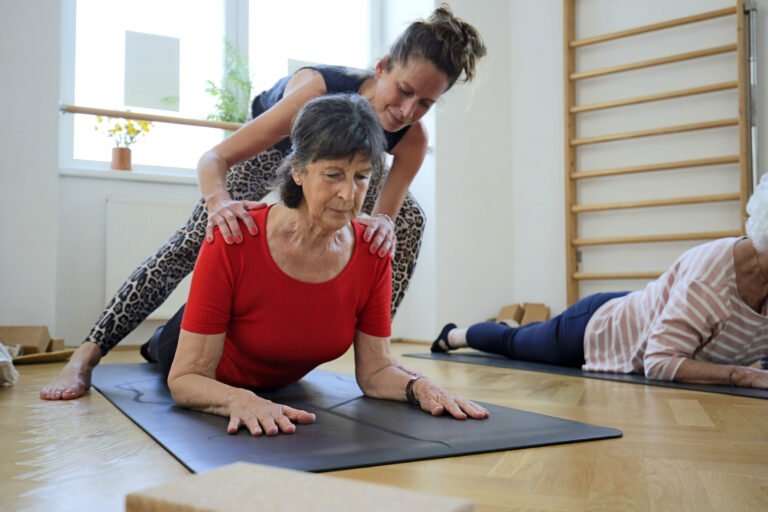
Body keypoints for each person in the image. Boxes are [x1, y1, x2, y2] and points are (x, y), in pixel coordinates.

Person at [41, 4, 487, 401]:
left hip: (346, 160)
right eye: (405, 91)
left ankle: (374, 353)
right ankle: (86, 355)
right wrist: (219, 204)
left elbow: (382, 219)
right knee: (197, 240)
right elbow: (213, 158)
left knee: (407, 221)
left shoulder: (412, 138)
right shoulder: (316, 91)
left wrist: (383, 223)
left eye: (426, 102)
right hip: (275, 152)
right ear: (383, 66)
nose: (409, 111)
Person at [143, 95, 489, 434]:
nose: (348, 195)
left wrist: (420, 386)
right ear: (297, 171)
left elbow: (376, 370)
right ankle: (153, 344)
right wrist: (240, 401)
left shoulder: (373, 250)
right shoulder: (235, 237)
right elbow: (187, 379)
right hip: (193, 353)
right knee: (163, 345)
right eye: (333, 174)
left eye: (361, 177)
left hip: (276, 374)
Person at [432, 178, 768, 389]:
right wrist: (741, 375)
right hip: (598, 328)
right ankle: (452, 335)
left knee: (525, 335)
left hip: (643, 311)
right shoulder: (710, 278)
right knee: (514, 341)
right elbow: (659, 362)